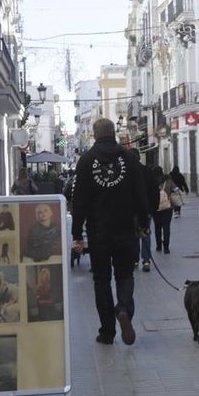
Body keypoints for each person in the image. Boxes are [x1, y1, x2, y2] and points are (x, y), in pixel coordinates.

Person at [72, 119, 151, 345]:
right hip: (126, 230)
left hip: (99, 233)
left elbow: (79, 201)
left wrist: (76, 233)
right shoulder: (128, 158)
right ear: (114, 133)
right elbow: (140, 194)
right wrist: (144, 223)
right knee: (125, 275)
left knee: (101, 280)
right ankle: (124, 310)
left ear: (94, 135)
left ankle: (107, 332)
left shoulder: (86, 161)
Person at [120, 133, 159, 272]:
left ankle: (135, 260)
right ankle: (146, 260)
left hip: (130, 211)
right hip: (146, 210)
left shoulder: (125, 173)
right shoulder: (147, 171)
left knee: (133, 235)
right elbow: (155, 191)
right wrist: (153, 208)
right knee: (146, 233)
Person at [152, 165, 175, 255]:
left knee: (157, 228)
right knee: (166, 227)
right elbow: (176, 189)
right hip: (167, 207)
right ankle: (166, 247)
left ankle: (158, 246)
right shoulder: (168, 181)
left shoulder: (151, 181)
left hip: (155, 208)